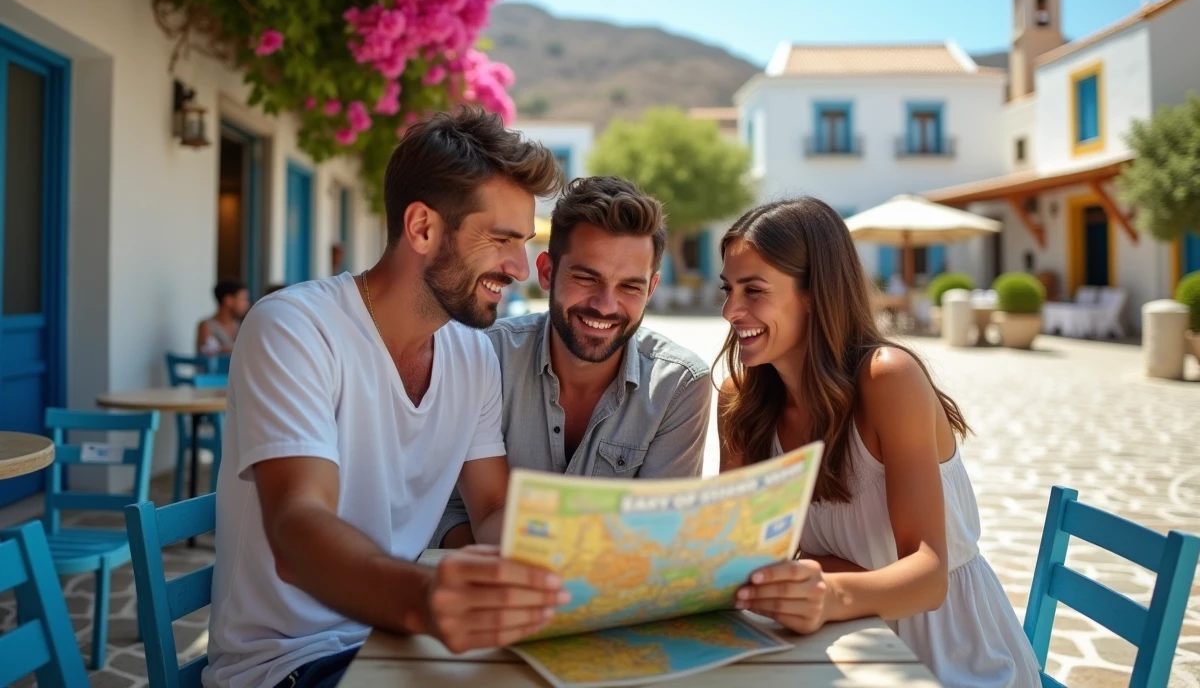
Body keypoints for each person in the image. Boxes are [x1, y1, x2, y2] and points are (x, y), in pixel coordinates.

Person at [204, 107, 571, 688]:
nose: (519, 267)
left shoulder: (473, 355)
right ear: (422, 228)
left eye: (522, 243)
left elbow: (494, 510)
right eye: (502, 240)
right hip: (291, 664)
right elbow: (298, 531)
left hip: (395, 643)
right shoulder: (296, 328)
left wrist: (575, 573)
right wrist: (424, 598)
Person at [716, 198, 1040, 688]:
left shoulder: (888, 379)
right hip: (834, 640)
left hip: (947, 651)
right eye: (729, 289)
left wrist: (828, 595)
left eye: (753, 290)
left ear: (814, 294)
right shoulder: (740, 400)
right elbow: (736, 548)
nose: (730, 311)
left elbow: (929, 576)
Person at [434, 176, 711, 549]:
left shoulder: (678, 385)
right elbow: (442, 510)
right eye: (585, 278)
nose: (605, 305)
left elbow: (661, 538)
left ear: (652, 288)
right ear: (547, 272)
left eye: (630, 286)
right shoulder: (484, 357)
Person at [196, 278, 250, 355]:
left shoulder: (240, 326)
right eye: (243, 299)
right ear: (228, 300)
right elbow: (207, 351)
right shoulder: (207, 326)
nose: (247, 304)